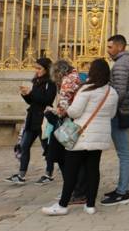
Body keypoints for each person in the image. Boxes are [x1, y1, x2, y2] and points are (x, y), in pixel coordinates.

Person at [42, 59, 119, 216]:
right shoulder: (112, 92)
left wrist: (66, 110)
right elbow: (111, 114)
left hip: (81, 135)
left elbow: (75, 112)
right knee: (93, 169)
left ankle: (63, 205)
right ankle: (90, 205)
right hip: (99, 136)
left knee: (71, 170)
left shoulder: (86, 90)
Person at [101, 35, 129, 207]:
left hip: (119, 112)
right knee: (123, 153)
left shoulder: (121, 64)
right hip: (125, 110)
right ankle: (122, 189)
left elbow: (119, 92)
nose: (107, 51)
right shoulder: (126, 62)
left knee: (123, 153)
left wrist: (106, 105)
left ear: (120, 47)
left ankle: (122, 192)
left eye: (110, 47)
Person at [6, 58, 57, 184]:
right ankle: (21, 174)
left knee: (47, 148)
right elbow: (32, 101)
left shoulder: (50, 82)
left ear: (46, 69)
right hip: (32, 117)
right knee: (24, 145)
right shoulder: (37, 81)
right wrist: (26, 95)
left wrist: (31, 93)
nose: (37, 71)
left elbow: (47, 100)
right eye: (36, 68)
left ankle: (48, 174)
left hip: (43, 119)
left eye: (39, 68)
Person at [37, 60, 82, 187]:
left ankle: (71, 187)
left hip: (68, 123)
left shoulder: (67, 81)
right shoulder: (76, 75)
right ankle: (75, 187)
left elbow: (63, 107)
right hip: (76, 120)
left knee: (61, 156)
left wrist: (52, 110)